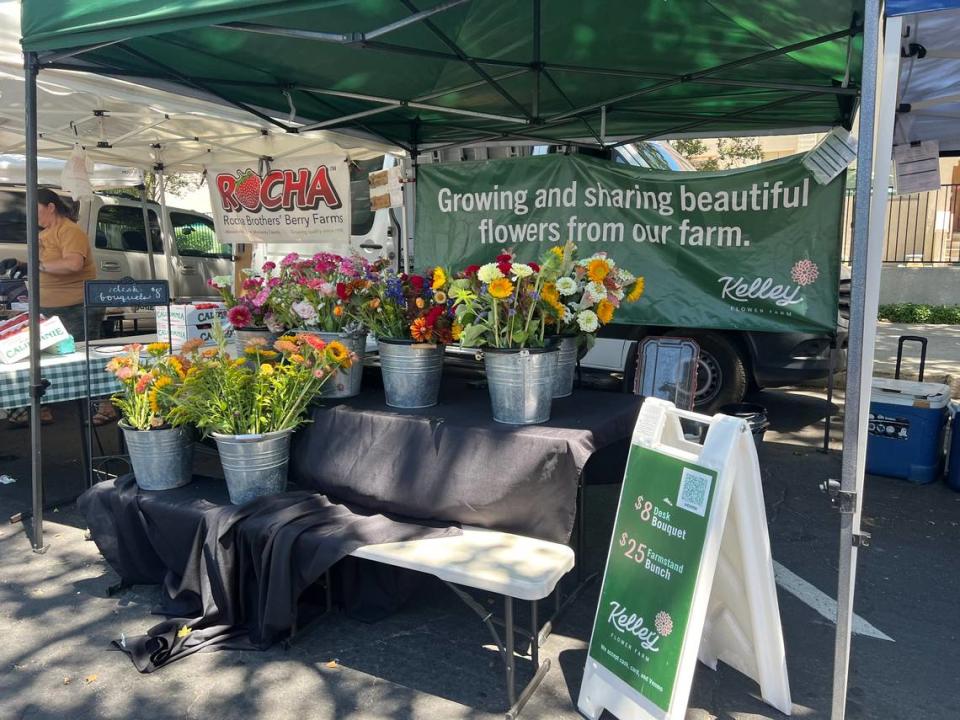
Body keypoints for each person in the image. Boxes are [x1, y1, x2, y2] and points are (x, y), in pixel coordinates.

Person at [7, 189, 113, 427]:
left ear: (51, 207)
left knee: (86, 357)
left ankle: (104, 406)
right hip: (48, 306)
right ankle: (42, 408)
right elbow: (46, 264)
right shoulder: (46, 233)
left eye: (37, 209)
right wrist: (21, 265)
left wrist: (37, 266)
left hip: (76, 306)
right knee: (41, 357)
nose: (32, 215)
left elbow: (73, 263)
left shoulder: (70, 231)